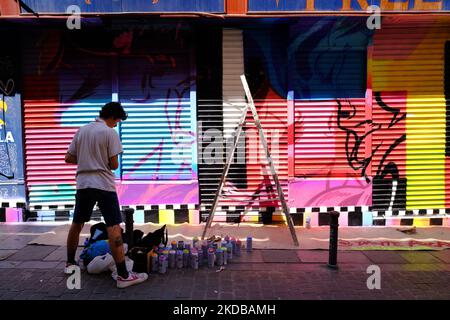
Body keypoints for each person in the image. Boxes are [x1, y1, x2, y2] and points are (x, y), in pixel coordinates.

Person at [64, 102, 148, 289]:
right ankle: (123, 275)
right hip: (103, 184)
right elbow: (114, 164)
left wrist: (86, 158)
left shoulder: (82, 130)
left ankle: (70, 263)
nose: (116, 124)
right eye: (117, 121)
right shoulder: (109, 133)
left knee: (77, 223)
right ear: (112, 116)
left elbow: (68, 158)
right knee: (113, 227)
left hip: (83, 184)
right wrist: (99, 159)